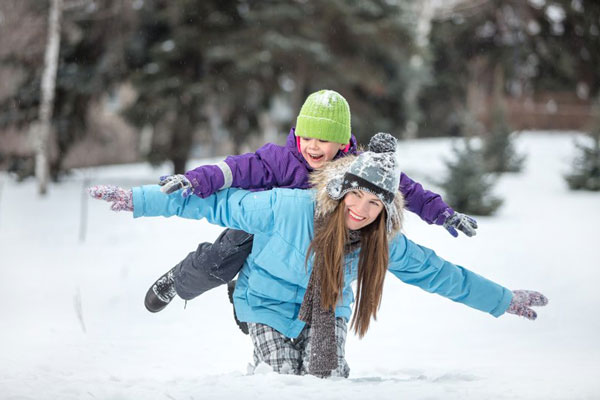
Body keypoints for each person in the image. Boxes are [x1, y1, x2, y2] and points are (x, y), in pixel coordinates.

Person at [90, 133, 548, 378]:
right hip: (265, 304)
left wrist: (501, 299)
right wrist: (140, 200)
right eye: (357, 198)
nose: (361, 212)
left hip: (326, 313)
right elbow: (213, 203)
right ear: (341, 189)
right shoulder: (288, 208)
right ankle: (259, 368)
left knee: (324, 380)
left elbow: (439, 274)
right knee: (285, 381)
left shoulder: (380, 240)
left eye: (375, 205)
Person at [97, 90, 477, 331]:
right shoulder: (279, 159)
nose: (313, 146)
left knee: (303, 292)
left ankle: (256, 309)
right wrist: (196, 179)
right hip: (262, 226)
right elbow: (234, 169)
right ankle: (176, 282)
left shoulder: (359, 166)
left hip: (314, 242)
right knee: (220, 259)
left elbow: (405, 188)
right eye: (306, 136)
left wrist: (443, 213)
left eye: (324, 140)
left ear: (342, 143)